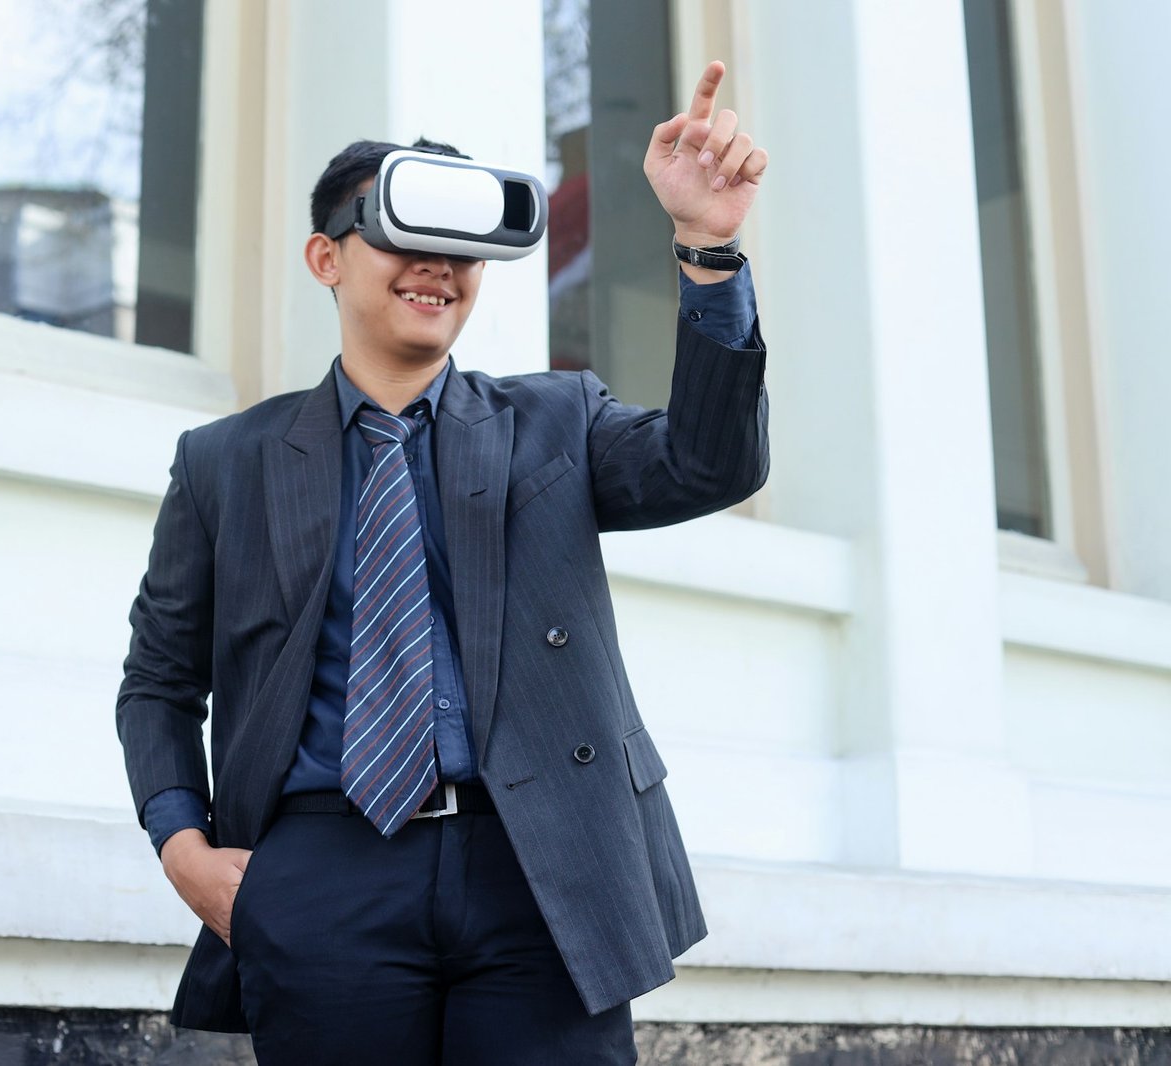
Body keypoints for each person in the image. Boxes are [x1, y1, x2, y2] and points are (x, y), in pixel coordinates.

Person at [117, 61, 770, 1065]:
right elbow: (158, 683)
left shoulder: (556, 421)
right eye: (399, 234)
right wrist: (184, 850)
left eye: (459, 247)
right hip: (324, 868)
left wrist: (708, 248)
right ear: (325, 258)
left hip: (540, 866)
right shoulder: (225, 464)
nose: (435, 265)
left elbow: (708, 460)